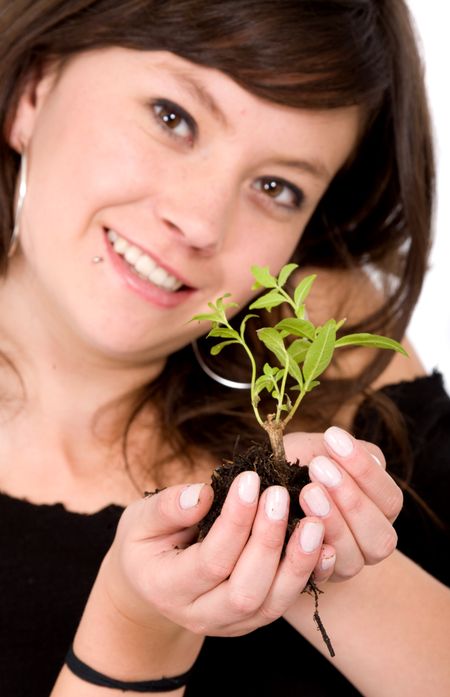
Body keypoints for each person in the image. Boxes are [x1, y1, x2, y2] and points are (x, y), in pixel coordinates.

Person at [0, 0, 449, 695]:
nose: (202, 220)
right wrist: (135, 620)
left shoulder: (332, 351)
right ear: (33, 89)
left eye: (277, 186)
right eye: (173, 117)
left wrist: (313, 549)